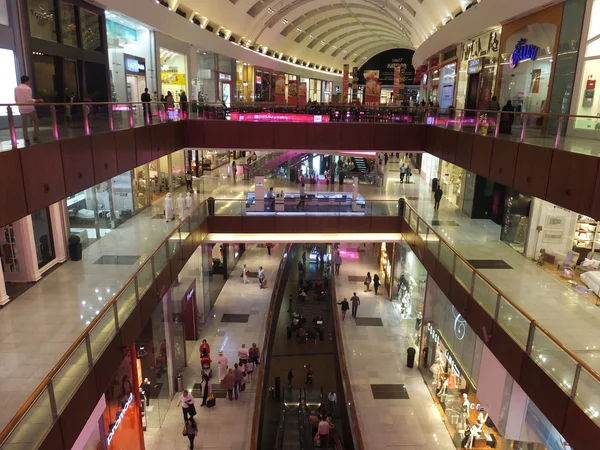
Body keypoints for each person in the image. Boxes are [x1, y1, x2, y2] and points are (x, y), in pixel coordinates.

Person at [14, 75, 43, 145]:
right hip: (29, 109)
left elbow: (16, 99)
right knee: (36, 122)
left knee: (24, 125)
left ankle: (26, 139)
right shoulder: (28, 88)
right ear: (26, 81)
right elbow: (28, 100)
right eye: (28, 81)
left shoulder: (16, 88)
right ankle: (35, 137)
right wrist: (37, 100)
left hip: (21, 109)